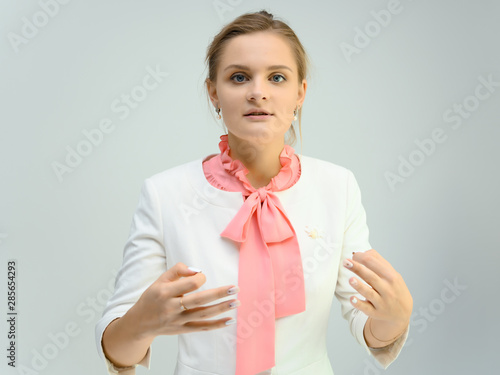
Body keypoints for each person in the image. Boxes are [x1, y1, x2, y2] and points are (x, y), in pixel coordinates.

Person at [95, 10, 413, 375]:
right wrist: (140, 323)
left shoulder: (337, 187)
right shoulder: (165, 193)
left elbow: (367, 321)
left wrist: (395, 317)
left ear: (300, 93)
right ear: (214, 92)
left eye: (277, 77)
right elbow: (119, 348)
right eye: (239, 77)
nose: (258, 92)